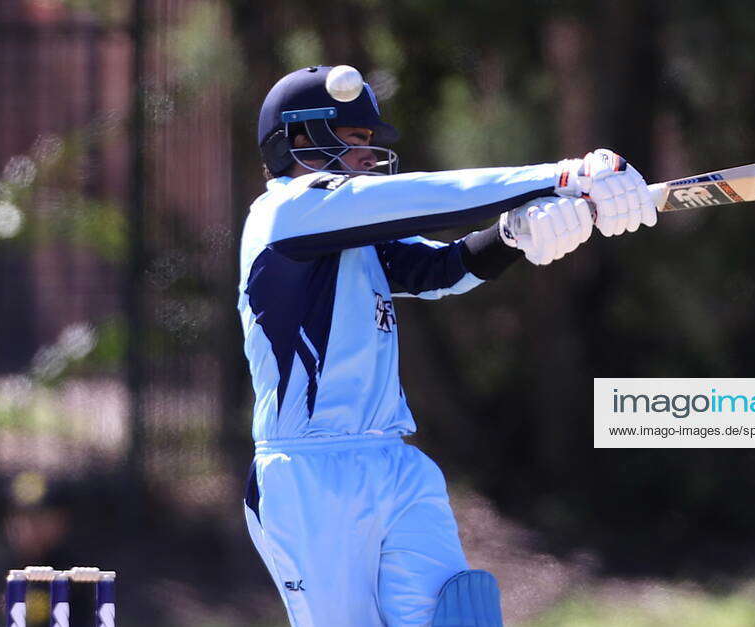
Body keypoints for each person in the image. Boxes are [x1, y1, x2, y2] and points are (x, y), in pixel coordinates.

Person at [238, 64, 658, 626]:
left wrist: (511, 235)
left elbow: (440, 267)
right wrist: (562, 177)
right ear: (297, 139)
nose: (368, 154)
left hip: (393, 460)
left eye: (369, 142)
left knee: (457, 616)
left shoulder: (355, 239)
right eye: (355, 139)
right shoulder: (285, 215)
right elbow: (427, 198)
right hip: (309, 475)